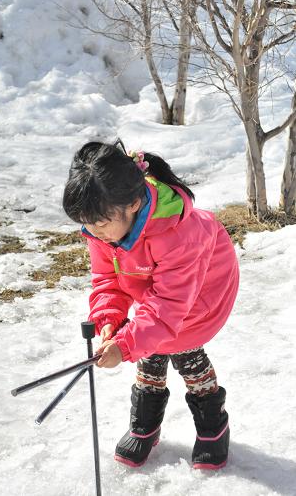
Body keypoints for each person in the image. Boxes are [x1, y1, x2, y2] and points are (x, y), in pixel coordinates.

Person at [62, 139, 239, 470]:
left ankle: (213, 426)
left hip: (199, 296)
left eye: (99, 224)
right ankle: (145, 425)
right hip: (153, 289)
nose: (93, 233)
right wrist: (109, 319)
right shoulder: (102, 225)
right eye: (86, 225)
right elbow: (107, 280)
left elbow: (170, 306)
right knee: (148, 345)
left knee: (181, 349)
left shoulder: (181, 234)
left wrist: (127, 344)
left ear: (131, 204)